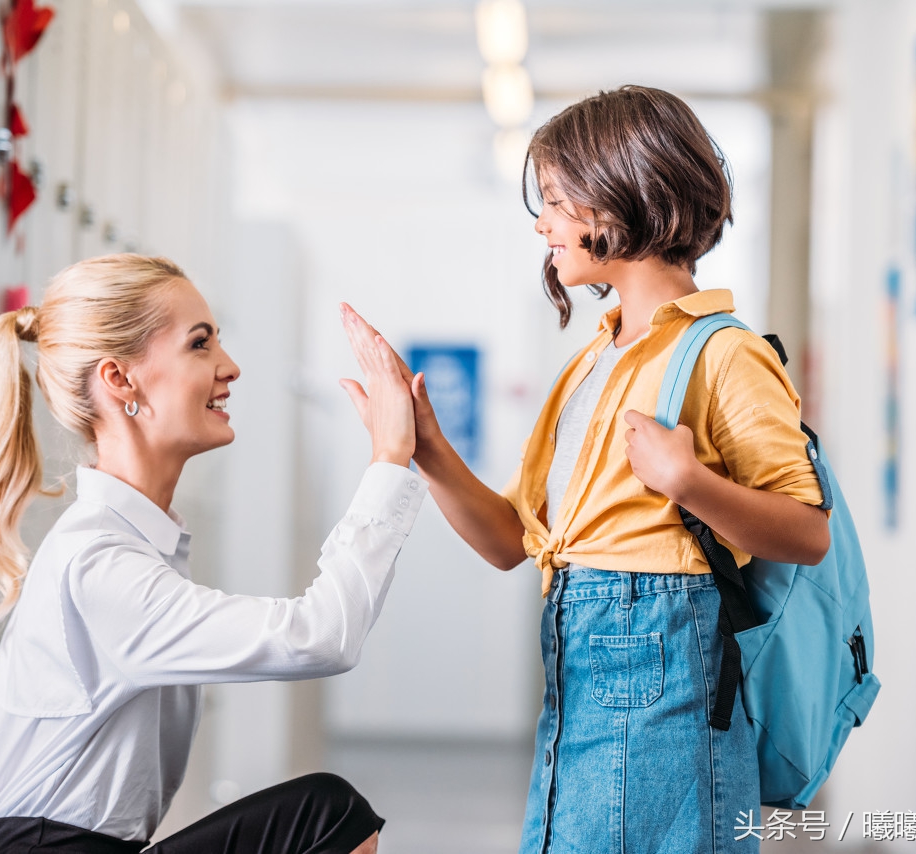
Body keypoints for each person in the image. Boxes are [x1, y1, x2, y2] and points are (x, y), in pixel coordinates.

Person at [341, 86, 829, 853]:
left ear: (626, 194)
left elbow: (807, 532)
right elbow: (510, 540)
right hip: (577, 693)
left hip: (667, 699)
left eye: (560, 199)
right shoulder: (590, 367)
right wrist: (424, 445)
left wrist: (692, 484)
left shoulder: (726, 354)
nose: (543, 222)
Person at [0, 253, 426, 854]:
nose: (229, 367)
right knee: (325, 816)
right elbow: (321, 635)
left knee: (326, 813)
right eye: (200, 345)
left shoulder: (130, 545)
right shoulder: (97, 562)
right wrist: (389, 457)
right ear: (119, 379)